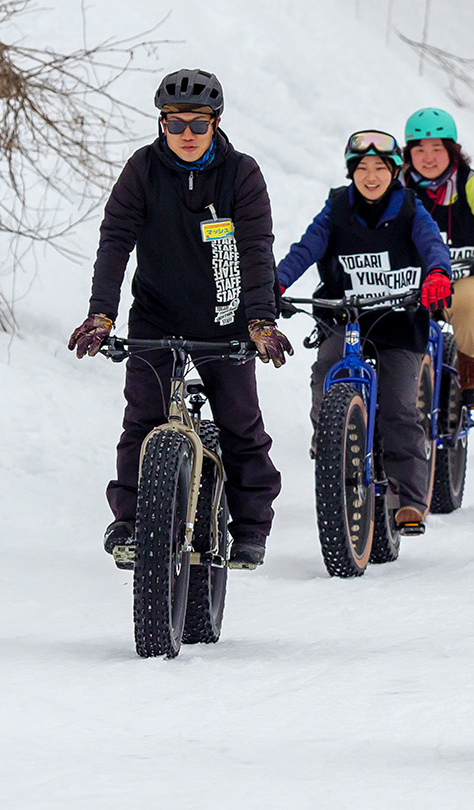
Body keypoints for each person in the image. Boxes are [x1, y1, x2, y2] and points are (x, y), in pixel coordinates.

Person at [68, 68, 292, 570]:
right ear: (161, 124)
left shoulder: (242, 174)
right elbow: (115, 242)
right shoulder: (142, 170)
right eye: (175, 124)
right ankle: (130, 521)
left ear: (216, 122)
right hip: (157, 317)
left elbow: (257, 249)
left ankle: (250, 527)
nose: (186, 135)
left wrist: (260, 322)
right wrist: (101, 314)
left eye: (197, 123)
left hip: (228, 319)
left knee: (240, 423)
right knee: (143, 418)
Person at [275, 129, 452, 532]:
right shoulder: (337, 207)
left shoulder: (409, 206)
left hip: (399, 318)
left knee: (401, 406)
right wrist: (277, 282)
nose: (370, 177)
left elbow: (432, 245)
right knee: (327, 368)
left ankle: (408, 497)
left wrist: (438, 273)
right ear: (351, 172)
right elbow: (307, 248)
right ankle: (331, 434)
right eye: (362, 168)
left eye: (379, 168)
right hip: (348, 315)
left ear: (394, 171)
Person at [401, 107, 474, 410]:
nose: (428, 158)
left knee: (466, 303)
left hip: (465, 274)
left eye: (437, 149)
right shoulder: (399, 187)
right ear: (408, 154)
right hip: (413, 278)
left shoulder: (469, 184)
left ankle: (473, 375)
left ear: (452, 151)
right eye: (420, 150)